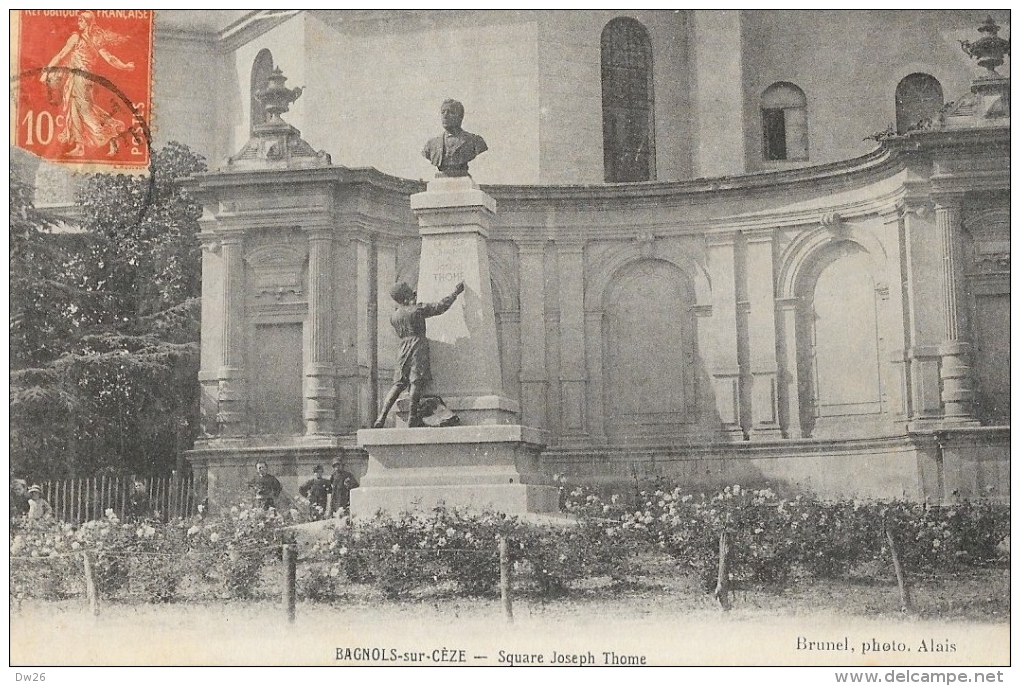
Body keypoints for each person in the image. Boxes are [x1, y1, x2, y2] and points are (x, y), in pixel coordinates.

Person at [39, 10, 135, 157]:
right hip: (76, 79)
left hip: (82, 80)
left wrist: (125, 66)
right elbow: (62, 54)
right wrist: (125, 66)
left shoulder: (82, 39)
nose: (79, 23)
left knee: (86, 113)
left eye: (81, 21)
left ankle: (111, 134)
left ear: (88, 22)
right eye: (79, 20)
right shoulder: (82, 38)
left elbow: (109, 58)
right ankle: (80, 146)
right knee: (74, 111)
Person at [373, 280, 465, 428]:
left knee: (398, 384)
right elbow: (441, 307)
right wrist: (455, 293)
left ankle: (381, 417)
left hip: (403, 347)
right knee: (416, 381)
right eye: (410, 292)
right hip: (418, 344)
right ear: (405, 296)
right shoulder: (417, 309)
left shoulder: (394, 317)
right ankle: (412, 417)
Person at [421, 99, 488, 177]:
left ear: (460, 116)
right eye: (443, 112)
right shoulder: (431, 144)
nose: (445, 115)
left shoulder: (474, 141)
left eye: (451, 112)